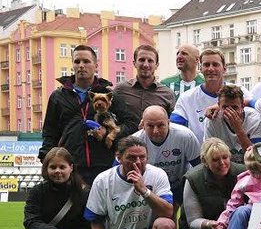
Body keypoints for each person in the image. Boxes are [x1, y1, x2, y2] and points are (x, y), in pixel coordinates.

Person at [40, 45, 138, 182]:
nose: (81, 66)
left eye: (86, 61)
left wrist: (111, 132)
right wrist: (45, 159)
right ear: (72, 65)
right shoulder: (58, 96)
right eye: (77, 62)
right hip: (70, 166)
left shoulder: (109, 94)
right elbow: (50, 132)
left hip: (104, 165)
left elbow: (132, 124)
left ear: (96, 65)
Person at [180, 138, 246, 229]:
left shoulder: (242, 173)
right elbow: (193, 220)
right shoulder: (193, 178)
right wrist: (211, 224)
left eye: (225, 158)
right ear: (205, 161)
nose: (222, 163)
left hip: (234, 226)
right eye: (215, 160)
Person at [131, 106, 201, 210]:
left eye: (160, 125)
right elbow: (118, 169)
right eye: (150, 126)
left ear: (168, 123)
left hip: (180, 185)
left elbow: (199, 167)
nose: (156, 131)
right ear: (143, 125)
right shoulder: (135, 142)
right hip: (149, 188)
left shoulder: (185, 136)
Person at [172, 48, 226, 142]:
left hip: (231, 155)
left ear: (224, 69)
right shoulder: (187, 98)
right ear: (200, 69)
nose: (211, 68)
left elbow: (255, 104)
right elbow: (174, 126)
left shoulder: (238, 91)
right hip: (198, 155)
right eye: (206, 65)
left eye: (215, 64)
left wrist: (221, 105)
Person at [205, 84, 261, 164]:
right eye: (225, 107)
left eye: (235, 107)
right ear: (219, 106)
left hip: (250, 167)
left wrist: (239, 130)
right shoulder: (212, 120)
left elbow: (257, 158)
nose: (230, 111)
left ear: (242, 106)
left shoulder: (256, 119)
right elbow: (210, 155)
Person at [114, 45, 176, 121]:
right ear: (134, 63)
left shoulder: (167, 94)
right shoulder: (120, 90)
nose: (146, 65)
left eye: (150, 61)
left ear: (156, 65)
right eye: (142, 60)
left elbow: (172, 124)